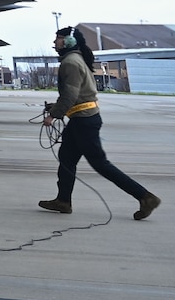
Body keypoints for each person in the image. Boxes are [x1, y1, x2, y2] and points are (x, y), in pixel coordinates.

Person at [39, 28, 161, 219]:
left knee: (100, 164)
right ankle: (63, 201)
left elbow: (71, 94)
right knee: (66, 158)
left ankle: (145, 197)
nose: (54, 43)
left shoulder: (70, 62)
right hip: (82, 118)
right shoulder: (76, 59)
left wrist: (53, 115)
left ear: (69, 42)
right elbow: (79, 93)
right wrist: (57, 107)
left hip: (84, 121)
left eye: (58, 39)